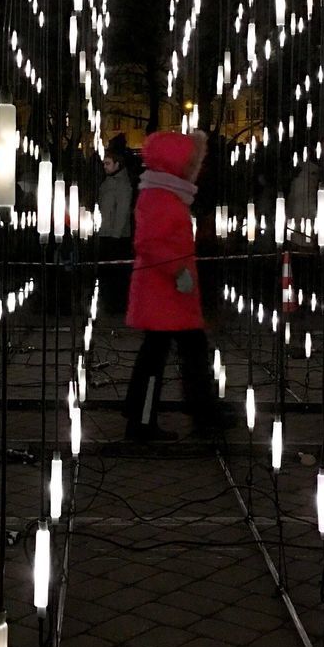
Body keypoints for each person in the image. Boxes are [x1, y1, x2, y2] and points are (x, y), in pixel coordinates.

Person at [123, 130, 232, 441]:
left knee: (188, 352)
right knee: (159, 357)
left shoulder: (168, 193)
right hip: (163, 292)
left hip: (172, 294)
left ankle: (203, 412)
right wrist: (177, 271)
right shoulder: (158, 196)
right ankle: (144, 422)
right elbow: (149, 243)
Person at [97, 151, 134, 314]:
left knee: (116, 273)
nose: (105, 166)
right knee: (109, 273)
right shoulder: (109, 182)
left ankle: (116, 306)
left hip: (116, 236)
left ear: (117, 164)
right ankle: (111, 304)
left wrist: (116, 234)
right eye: (104, 163)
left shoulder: (122, 184)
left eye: (108, 163)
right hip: (107, 232)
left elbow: (123, 211)